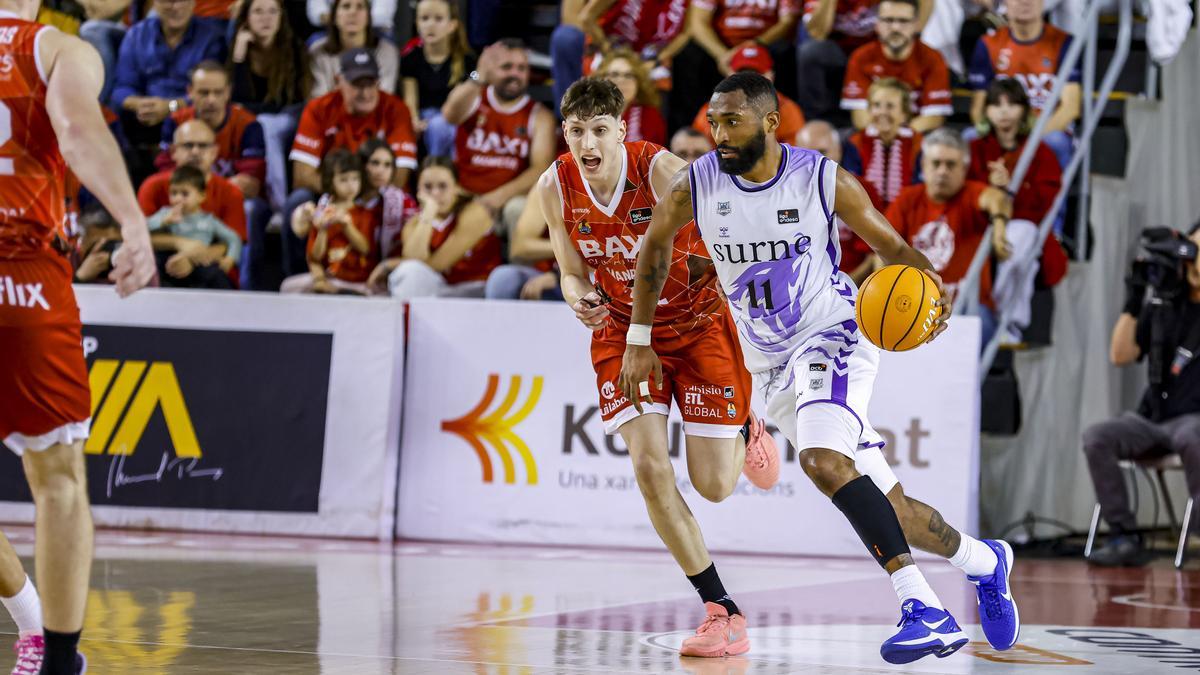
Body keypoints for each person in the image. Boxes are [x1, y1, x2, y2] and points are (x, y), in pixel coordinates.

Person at [623, 72, 1019, 663]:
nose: (720, 135)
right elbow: (655, 248)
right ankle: (988, 562)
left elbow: (894, 250)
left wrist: (930, 298)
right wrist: (638, 336)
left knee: (819, 459)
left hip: (832, 335)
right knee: (897, 511)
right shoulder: (697, 184)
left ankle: (924, 609)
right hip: (771, 367)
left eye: (733, 122)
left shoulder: (821, 179)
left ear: (769, 122)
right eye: (714, 123)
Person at [535, 77, 781, 659]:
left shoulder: (662, 171)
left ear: (622, 130)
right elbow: (570, 268)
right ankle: (721, 609)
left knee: (715, 487)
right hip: (622, 331)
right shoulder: (554, 186)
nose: (587, 143)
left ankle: (746, 424)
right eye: (576, 132)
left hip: (697, 326)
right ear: (565, 133)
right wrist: (576, 296)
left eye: (599, 130)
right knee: (649, 469)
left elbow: (736, 229)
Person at [0, 4, 156, 672]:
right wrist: (132, 223)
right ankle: (56, 653)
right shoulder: (55, 47)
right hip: (25, 273)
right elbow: (75, 126)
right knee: (58, 478)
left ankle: (38, 629)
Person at [1084, 224, 1200, 566]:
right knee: (1097, 437)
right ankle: (1125, 535)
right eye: (1192, 249)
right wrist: (1135, 297)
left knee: (1194, 436)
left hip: (1193, 421)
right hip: (1152, 418)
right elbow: (1120, 355)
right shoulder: (1165, 301)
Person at [285, 48, 417, 276]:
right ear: (339, 81)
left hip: (379, 199)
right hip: (334, 196)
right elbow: (302, 175)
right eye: (357, 84)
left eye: (371, 83)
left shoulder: (395, 108)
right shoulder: (320, 108)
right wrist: (344, 196)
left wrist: (360, 197)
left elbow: (400, 175)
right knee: (298, 202)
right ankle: (302, 276)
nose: (366, 92)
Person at [886, 128, 1014, 347]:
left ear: (964, 169)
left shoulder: (971, 193)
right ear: (924, 166)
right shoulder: (907, 199)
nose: (942, 171)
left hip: (967, 306)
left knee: (979, 322)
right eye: (936, 163)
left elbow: (997, 199)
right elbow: (884, 250)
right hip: (917, 304)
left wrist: (1000, 225)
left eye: (951, 164)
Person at [155, 61, 269, 288]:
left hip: (231, 203)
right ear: (190, 93)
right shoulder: (176, 121)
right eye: (204, 92)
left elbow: (250, 185)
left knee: (251, 208)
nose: (211, 100)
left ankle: (246, 287)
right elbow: (167, 177)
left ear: (228, 92)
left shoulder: (247, 124)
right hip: (185, 204)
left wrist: (208, 190)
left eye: (218, 92)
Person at [442, 39, 555, 241]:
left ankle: (520, 267)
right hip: (463, 194)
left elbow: (540, 169)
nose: (515, 74)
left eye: (521, 68)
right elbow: (449, 115)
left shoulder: (539, 116)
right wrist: (478, 76)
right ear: (491, 70)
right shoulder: (475, 97)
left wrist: (497, 198)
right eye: (506, 67)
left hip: (504, 202)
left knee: (518, 209)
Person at [109, 0, 227, 178]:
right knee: (110, 117)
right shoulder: (136, 35)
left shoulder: (211, 37)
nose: (175, 7)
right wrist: (139, 104)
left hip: (190, 113)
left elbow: (211, 92)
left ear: (194, 3)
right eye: (167, 1)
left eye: (182, 1)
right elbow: (121, 88)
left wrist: (170, 107)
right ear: (154, 4)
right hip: (144, 113)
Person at [968, 0, 1080, 168]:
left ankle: (1054, 195)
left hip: (1046, 129)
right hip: (1003, 128)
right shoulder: (988, 44)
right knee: (969, 137)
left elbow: (1071, 108)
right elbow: (978, 108)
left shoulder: (1064, 43)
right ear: (1005, 3)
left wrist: (1029, 139)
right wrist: (997, 135)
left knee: (1056, 142)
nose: (1025, 2)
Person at [228, 0, 311, 227]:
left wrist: (255, 113)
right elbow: (237, 99)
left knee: (266, 124)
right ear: (246, 19)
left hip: (291, 117)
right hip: (257, 119)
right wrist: (239, 58)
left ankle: (280, 206)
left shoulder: (294, 48)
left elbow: (293, 99)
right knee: (261, 124)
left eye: (272, 11)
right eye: (258, 11)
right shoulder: (237, 51)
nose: (266, 18)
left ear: (281, 17)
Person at [369, 157, 501, 299]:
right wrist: (429, 212)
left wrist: (391, 264)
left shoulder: (475, 212)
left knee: (406, 269)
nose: (435, 193)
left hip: (477, 289)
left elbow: (441, 263)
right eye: (428, 187)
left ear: (456, 187)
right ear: (418, 190)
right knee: (409, 272)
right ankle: (408, 320)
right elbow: (414, 259)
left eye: (442, 186)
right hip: (441, 288)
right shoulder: (414, 223)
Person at [672, 0, 799, 131]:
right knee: (688, 53)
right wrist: (721, 55)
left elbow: (787, 21)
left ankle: (783, 117)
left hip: (764, 42)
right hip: (723, 45)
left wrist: (755, 43)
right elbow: (698, 23)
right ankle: (689, 130)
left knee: (785, 50)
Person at [549, 0, 689, 119]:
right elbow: (584, 18)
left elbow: (686, 32)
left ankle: (650, 137)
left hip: (649, 54)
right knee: (566, 38)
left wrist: (656, 60)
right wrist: (607, 48)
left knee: (662, 78)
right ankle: (568, 119)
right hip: (610, 46)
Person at [840, 0, 951, 132]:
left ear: (916, 25)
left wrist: (899, 136)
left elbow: (934, 117)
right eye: (888, 20)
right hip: (872, 135)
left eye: (903, 21)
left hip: (916, 137)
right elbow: (860, 118)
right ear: (877, 24)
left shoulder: (932, 58)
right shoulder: (861, 57)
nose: (895, 28)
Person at [282, 149, 381, 294]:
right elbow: (315, 256)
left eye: (355, 179)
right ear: (330, 180)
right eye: (343, 179)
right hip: (330, 280)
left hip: (359, 282)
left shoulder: (365, 214)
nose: (351, 185)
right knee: (287, 287)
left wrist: (347, 226)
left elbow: (366, 248)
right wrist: (322, 229)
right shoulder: (322, 213)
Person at [968, 78, 1062, 227]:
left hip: (1025, 225)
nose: (1004, 111)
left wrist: (1011, 186)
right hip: (978, 227)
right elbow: (961, 196)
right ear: (986, 110)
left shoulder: (1041, 152)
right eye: (996, 104)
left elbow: (1045, 201)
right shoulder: (973, 148)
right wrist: (989, 183)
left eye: (1012, 104)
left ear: (1024, 109)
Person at [139, 119, 248, 243]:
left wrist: (200, 253)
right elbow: (138, 234)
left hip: (211, 260)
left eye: (203, 146)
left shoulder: (231, 191)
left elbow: (235, 241)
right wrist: (180, 244)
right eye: (188, 145)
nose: (195, 152)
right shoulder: (152, 186)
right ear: (173, 151)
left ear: (214, 152)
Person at [795, 120, 876, 284]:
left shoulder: (862, 189)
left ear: (838, 150)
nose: (815, 160)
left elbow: (873, 256)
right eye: (807, 153)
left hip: (856, 291)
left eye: (822, 152)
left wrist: (837, 289)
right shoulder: (783, 196)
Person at [691, 44, 805, 148]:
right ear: (729, 75)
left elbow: (793, 158)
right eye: (742, 74)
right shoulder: (712, 110)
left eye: (756, 74)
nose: (748, 81)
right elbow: (697, 151)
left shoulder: (787, 110)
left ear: (771, 76)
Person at [147, 165, 243, 289]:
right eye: (173, 193)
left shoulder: (209, 220)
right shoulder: (166, 213)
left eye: (185, 194)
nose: (178, 199)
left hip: (199, 261)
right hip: (171, 259)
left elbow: (233, 238)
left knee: (216, 275)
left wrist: (230, 259)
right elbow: (144, 228)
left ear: (201, 196)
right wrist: (163, 221)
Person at [401, 0, 475, 156]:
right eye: (424, 18)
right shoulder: (411, 59)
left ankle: (441, 166)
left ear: (452, 25)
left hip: (454, 118)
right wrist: (414, 121)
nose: (430, 25)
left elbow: (467, 100)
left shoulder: (467, 60)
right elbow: (410, 99)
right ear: (417, 23)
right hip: (423, 118)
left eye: (438, 19)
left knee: (440, 126)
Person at [849, 78, 922, 210]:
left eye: (890, 106)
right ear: (869, 110)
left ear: (904, 114)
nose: (882, 112)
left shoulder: (918, 144)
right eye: (876, 105)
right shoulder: (855, 142)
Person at [309, 0, 399, 96]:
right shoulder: (318, 50)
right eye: (346, 6)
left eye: (360, 7)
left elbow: (385, 97)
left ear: (369, 16)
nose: (353, 12)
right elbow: (319, 99)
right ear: (334, 17)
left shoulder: (387, 51)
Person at [483, 193, 560, 301]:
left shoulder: (590, 193)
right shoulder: (549, 185)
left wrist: (557, 276)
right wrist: (569, 248)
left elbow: (591, 251)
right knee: (503, 278)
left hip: (586, 279)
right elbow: (520, 247)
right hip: (558, 275)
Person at [357, 139, 419, 261]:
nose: (381, 171)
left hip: (389, 271)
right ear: (361, 164)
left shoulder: (403, 201)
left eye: (387, 165)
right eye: (375, 163)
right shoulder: (338, 198)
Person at [596, 47, 666, 146]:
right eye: (614, 74)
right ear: (601, 79)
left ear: (638, 83)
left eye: (628, 75)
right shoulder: (584, 114)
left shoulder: (651, 116)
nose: (621, 80)